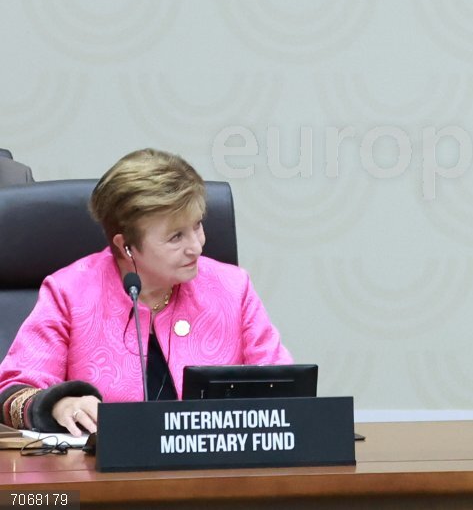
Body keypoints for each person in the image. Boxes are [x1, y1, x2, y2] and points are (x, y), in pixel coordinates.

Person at [0, 149, 291, 436]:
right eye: (176, 237)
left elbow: (285, 390)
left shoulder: (233, 287)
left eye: (198, 225)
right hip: (102, 477)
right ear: (126, 246)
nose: (197, 246)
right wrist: (59, 404)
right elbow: (12, 394)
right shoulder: (69, 293)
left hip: (215, 474)